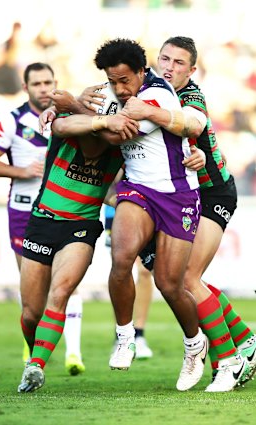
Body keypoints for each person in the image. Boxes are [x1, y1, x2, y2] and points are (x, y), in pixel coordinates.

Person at [116, 36, 255, 392]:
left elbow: (192, 125)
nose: (170, 66)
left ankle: (229, 360)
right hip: (171, 195)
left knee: (186, 278)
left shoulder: (190, 95)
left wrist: (197, 154)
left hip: (212, 192)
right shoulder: (145, 88)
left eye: (179, 63)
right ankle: (245, 339)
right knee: (176, 278)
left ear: (192, 71)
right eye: (165, 59)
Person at [90, 38, 209, 392]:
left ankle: (194, 344)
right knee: (121, 257)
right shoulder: (115, 93)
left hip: (176, 194)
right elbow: (104, 116)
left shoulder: (159, 95)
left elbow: (115, 133)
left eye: (125, 80)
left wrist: (91, 117)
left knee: (170, 284)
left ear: (142, 72)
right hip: (139, 189)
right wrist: (80, 103)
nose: (119, 88)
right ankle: (125, 335)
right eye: (112, 81)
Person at [16, 84, 140, 392]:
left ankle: (35, 368)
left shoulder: (118, 146)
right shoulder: (70, 127)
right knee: (31, 314)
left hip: (81, 227)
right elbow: (59, 119)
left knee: (60, 293)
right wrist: (76, 110)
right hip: (42, 221)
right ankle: (37, 351)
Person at [0, 62, 86, 376]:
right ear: (25, 88)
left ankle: (74, 354)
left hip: (64, 211)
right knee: (33, 294)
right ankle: (32, 348)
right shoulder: (11, 122)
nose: (43, 88)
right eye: (36, 83)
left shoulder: (69, 120)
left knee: (67, 284)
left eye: (48, 82)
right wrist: (20, 171)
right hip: (24, 212)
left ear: (56, 83)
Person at [104, 204, 154, 360]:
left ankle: (139, 334)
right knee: (120, 271)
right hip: (117, 208)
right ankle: (121, 333)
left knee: (145, 270)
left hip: (149, 205)